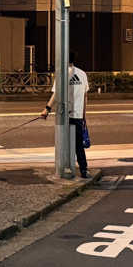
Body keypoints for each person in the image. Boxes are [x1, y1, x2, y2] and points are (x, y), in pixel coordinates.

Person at [40, 51, 90, 179]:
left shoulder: (62, 74)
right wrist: (84, 116)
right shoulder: (82, 74)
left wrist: (47, 109)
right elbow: (85, 97)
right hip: (78, 115)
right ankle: (84, 170)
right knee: (78, 144)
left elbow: (56, 94)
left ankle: (66, 168)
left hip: (64, 115)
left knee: (64, 144)